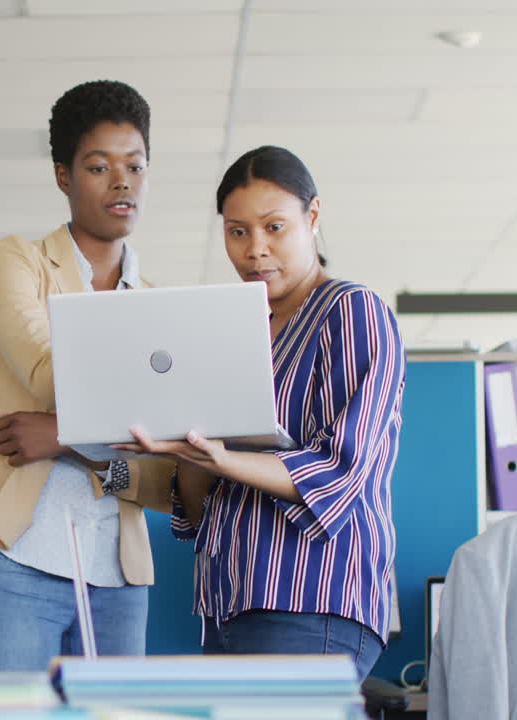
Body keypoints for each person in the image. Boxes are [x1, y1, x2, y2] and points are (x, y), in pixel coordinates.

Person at [115, 146, 405, 679]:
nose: (255, 250)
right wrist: (188, 449)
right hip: (227, 604)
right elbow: (198, 512)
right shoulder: (235, 336)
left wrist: (222, 457)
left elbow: (341, 473)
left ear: (312, 217)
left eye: (274, 227)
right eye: (237, 232)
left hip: (310, 597)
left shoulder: (350, 311)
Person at [0, 80, 175, 672]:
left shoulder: (160, 305)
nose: (122, 182)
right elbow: (50, 378)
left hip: (117, 577)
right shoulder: (16, 262)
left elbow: (160, 475)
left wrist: (66, 440)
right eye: (98, 166)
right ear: (63, 176)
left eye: (135, 166)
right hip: (16, 559)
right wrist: (127, 420)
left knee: (117, 718)